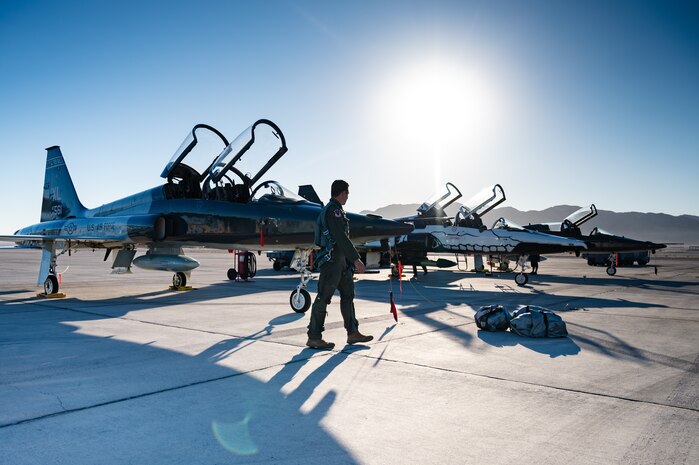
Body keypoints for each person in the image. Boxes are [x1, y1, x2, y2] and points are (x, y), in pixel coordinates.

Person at [306, 180, 374, 350]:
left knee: (348, 295)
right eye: (347, 194)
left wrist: (349, 260)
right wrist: (356, 259)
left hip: (341, 262)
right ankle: (314, 337)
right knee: (324, 297)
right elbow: (340, 237)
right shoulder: (333, 211)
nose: (348, 197)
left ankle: (353, 333)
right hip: (332, 262)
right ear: (342, 193)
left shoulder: (336, 210)